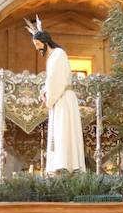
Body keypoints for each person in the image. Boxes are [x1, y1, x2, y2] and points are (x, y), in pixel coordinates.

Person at [25, 15, 86, 173]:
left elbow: (55, 80)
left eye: (38, 44)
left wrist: (48, 97)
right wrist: (45, 92)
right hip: (59, 99)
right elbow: (51, 80)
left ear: (45, 42)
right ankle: (60, 167)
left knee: (64, 132)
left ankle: (66, 167)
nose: (37, 48)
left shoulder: (58, 54)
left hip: (62, 99)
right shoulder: (53, 56)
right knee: (59, 132)